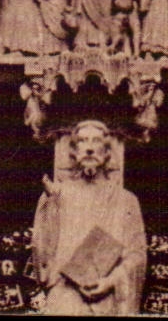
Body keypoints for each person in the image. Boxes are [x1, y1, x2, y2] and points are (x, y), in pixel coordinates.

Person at [29, 121, 146, 315]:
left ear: (107, 151)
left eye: (96, 141)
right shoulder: (57, 194)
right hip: (65, 296)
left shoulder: (126, 200)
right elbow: (43, 257)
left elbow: (137, 255)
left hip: (107, 298)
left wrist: (109, 282)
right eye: (83, 141)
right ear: (73, 151)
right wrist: (51, 205)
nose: (90, 148)